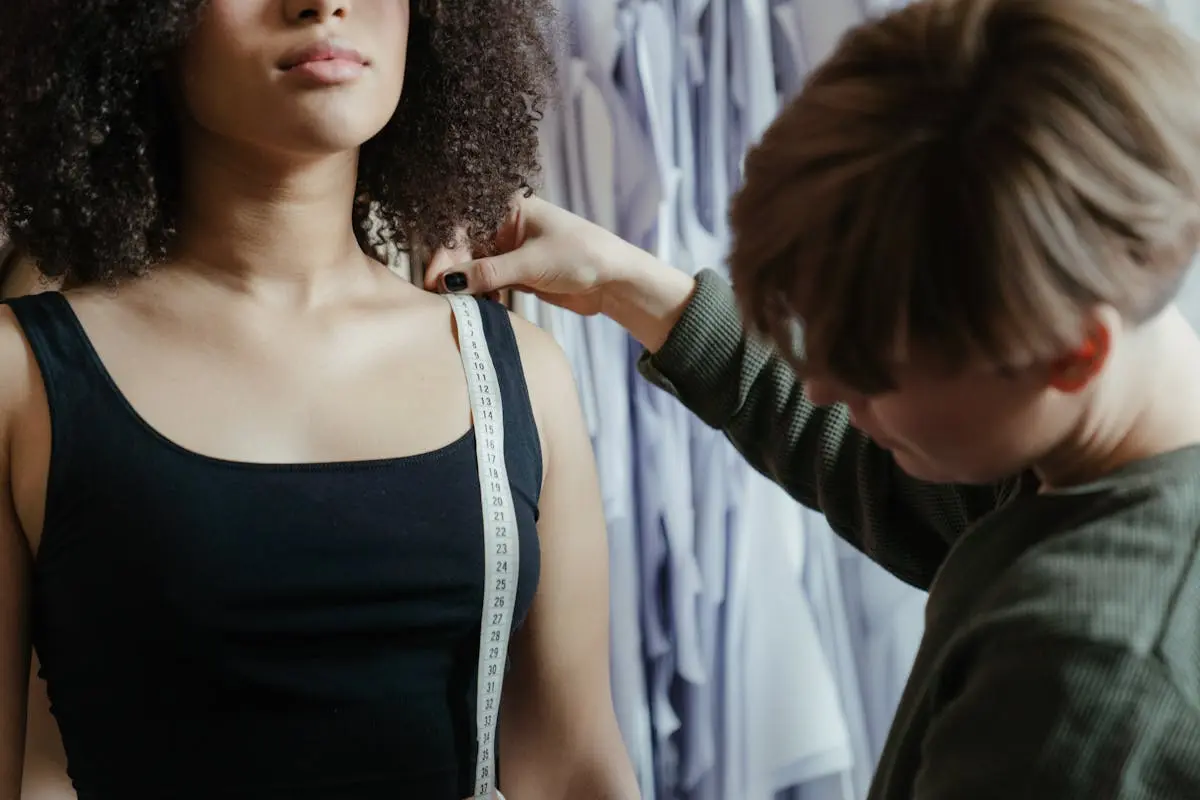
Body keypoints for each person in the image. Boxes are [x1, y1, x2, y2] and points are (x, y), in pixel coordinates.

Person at [425, 0, 1200, 796]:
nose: (825, 384)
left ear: (1074, 354)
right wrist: (632, 287)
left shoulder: (1091, 685)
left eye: (869, 369)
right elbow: (876, 467)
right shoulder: (1077, 470)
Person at [0, 1, 639, 799]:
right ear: (141, 24)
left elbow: (574, 771)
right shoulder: (19, 379)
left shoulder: (521, 377)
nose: (321, 4)